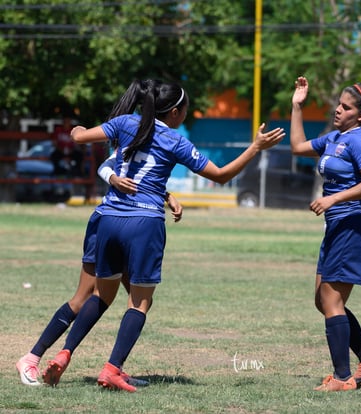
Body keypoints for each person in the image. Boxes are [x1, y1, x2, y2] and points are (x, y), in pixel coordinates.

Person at [42, 78, 285, 392]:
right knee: (139, 303)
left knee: (102, 295)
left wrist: (76, 130)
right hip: (144, 223)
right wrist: (255, 147)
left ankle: (64, 353)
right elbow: (221, 175)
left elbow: (81, 138)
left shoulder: (125, 122)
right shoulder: (176, 141)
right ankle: (112, 370)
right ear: (175, 113)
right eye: (185, 109)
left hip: (110, 219)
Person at [16, 154, 183, 387]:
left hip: (122, 222)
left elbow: (140, 174)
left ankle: (112, 367)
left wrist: (167, 195)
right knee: (87, 298)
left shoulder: (149, 132)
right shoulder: (135, 128)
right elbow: (108, 165)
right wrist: (113, 178)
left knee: (139, 299)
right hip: (110, 221)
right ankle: (31, 359)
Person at [290, 76, 361, 392]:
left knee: (331, 301)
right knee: (323, 300)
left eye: (345, 107)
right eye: (338, 104)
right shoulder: (335, 137)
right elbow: (297, 147)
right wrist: (297, 106)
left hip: (353, 225)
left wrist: (332, 197)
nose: (337, 110)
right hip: (337, 226)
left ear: (360, 115)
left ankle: (343, 378)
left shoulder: (360, 139)